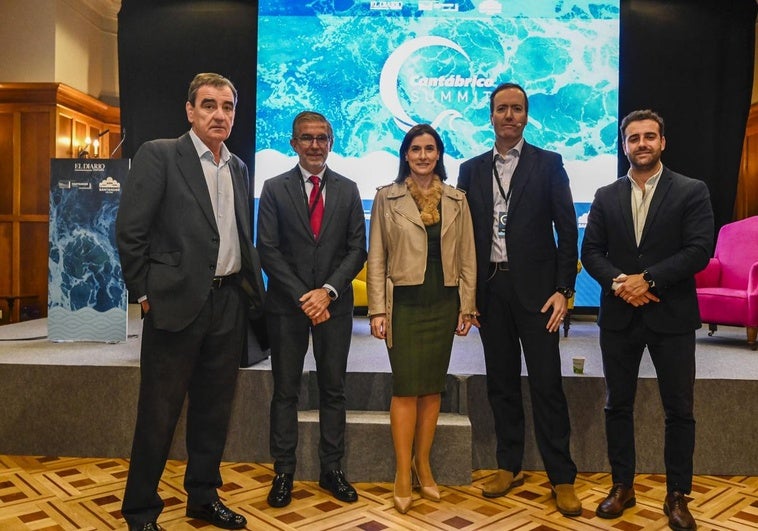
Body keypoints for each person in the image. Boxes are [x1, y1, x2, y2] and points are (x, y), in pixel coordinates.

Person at [115, 73, 265, 531]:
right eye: (209, 105)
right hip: (174, 307)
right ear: (190, 110)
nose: (219, 115)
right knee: (158, 415)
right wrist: (145, 294)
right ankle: (140, 511)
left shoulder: (237, 167)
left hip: (227, 306)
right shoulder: (160, 155)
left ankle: (202, 497)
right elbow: (130, 232)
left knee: (213, 411)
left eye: (227, 106)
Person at [581, 109, 714, 531]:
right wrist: (623, 283)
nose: (642, 144)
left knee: (679, 410)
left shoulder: (692, 191)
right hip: (620, 316)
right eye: (634, 138)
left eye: (649, 137)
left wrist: (649, 279)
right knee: (616, 405)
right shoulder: (605, 195)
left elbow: (698, 250)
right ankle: (623, 486)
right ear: (624, 145)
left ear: (662, 142)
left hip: (671, 316)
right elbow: (591, 253)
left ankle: (677, 496)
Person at [456, 82, 581, 516]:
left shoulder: (549, 164)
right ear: (490, 116)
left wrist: (564, 291)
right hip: (492, 291)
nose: (509, 115)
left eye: (517, 109)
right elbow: (462, 236)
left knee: (547, 385)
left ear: (526, 116)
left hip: (539, 295)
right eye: (501, 109)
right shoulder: (471, 169)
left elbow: (567, 231)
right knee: (501, 383)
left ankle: (562, 477)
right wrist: (466, 295)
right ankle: (508, 465)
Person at [257, 111, 367, 508]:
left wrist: (328, 292)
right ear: (293, 143)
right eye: (307, 138)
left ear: (331, 142)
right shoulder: (273, 188)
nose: (315, 145)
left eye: (322, 137)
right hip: (287, 308)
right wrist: (306, 296)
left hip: (334, 308)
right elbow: (267, 249)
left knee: (333, 390)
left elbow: (358, 249)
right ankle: (283, 471)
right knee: (285, 391)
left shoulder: (349, 189)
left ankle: (331, 469)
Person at [366, 124, 478, 514]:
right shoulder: (386, 197)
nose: (423, 156)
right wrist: (377, 309)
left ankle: (423, 465)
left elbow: (467, 255)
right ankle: (401, 472)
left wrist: (467, 305)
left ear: (439, 154)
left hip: (443, 300)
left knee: (432, 388)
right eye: (416, 149)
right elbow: (376, 256)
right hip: (405, 302)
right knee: (406, 388)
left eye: (430, 149)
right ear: (405, 154)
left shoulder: (457, 199)